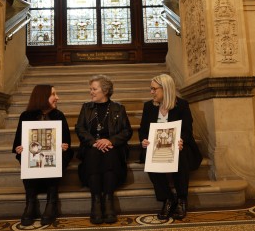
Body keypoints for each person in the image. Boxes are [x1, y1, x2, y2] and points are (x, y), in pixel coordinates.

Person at [139, 74, 202, 220]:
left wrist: (181, 141)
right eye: (151, 89)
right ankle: (167, 198)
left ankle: (181, 199)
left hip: (179, 146)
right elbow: (143, 130)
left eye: (154, 89)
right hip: (156, 146)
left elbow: (187, 130)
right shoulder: (148, 106)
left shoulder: (182, 105)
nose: (151, 92)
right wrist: (144, 140)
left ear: (165, 89)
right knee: (149, 156)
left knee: (180, 154)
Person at [12, 85, 74, 226]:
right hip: (34, 155)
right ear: (42, 97)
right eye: (53, 94)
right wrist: (19, 148)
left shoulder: (59, 115)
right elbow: (17, 144)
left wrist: (63, 147)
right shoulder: (26, 116)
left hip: (54, 158)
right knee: (25, 157)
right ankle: (30, 203)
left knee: (59, 156)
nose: (57, 97)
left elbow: (67, 144)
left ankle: (51, 201)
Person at [75, 74, 133, 224]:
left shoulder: (118, 109)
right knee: (94, 152)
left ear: (105, 91)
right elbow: (80, 129)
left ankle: (108, 200)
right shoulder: (86, 108)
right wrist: (93, 142)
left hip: (112, 148)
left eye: (94, 89)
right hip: (91, 147)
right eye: (91, 89)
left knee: (110, 152)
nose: (91, 92)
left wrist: (110, 140)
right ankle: (96, 201)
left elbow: (127, 131)